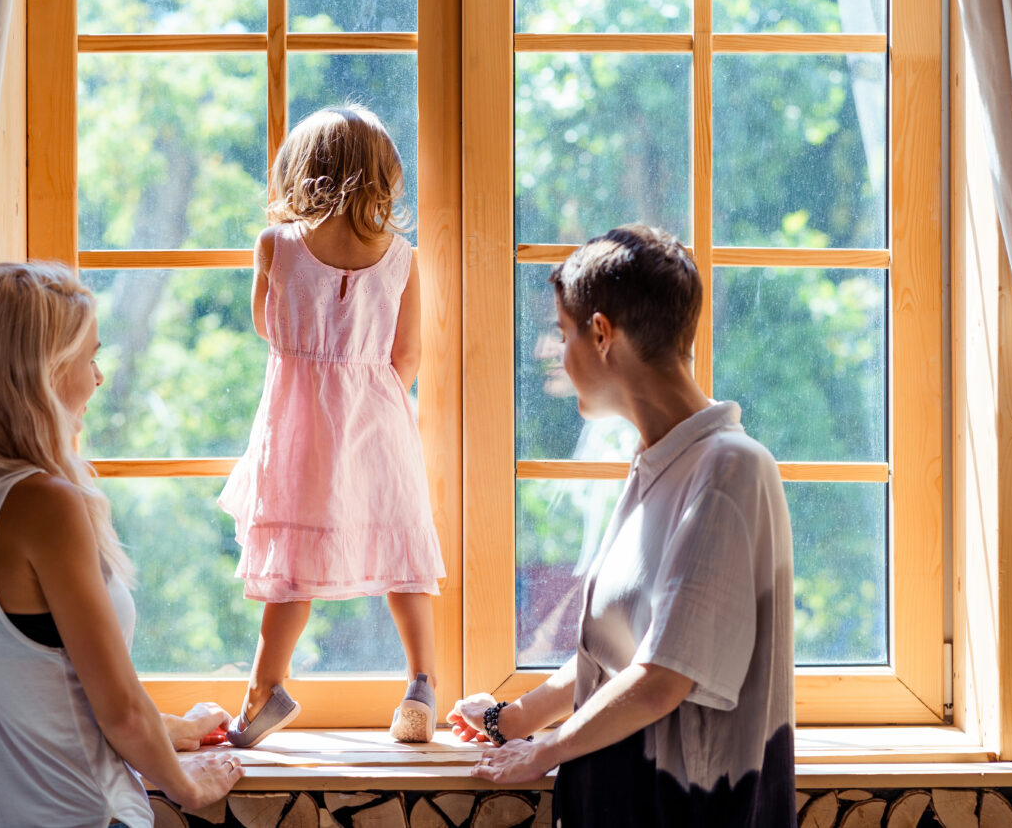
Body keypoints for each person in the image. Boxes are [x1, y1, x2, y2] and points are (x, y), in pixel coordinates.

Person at [448, 225, 796, 826]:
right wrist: (516, 718)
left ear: (602, 334)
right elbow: (622, 649)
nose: (557, 354)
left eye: (564, 334)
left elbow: (663, 678)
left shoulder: (731, 469)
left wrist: (546, 752)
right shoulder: (658, 463)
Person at [0, 262, 245, 828]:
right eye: (91, 358)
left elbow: (51, 681)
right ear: (46, 372)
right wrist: (186, 786)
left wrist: (176, 729)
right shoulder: (46, 504)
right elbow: (120, 712)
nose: (99, 379)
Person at [218, 105, 446, 746]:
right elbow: (407, 357)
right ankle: (422, 682)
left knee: (291, 562)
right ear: (383, 175)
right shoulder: (402, 257)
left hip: (297, 424)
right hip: (380, 419)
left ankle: (265, 690)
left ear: (302, 170)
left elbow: (268, 328)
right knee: (403, 555)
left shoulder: (276, 245)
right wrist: (363, 401)